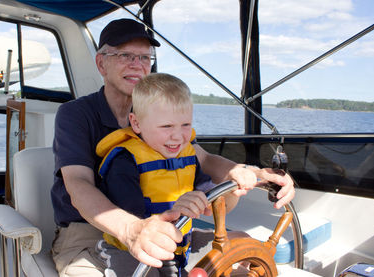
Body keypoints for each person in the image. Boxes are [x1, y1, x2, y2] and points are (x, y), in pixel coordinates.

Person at [51, 18, 295, 277]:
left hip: (169, 225)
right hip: (89, 233)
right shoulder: (75, 114)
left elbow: (203, 159)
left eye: (145, 58)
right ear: (101, 63)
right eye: (125, 55)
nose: (138, 65)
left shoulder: (163, 117)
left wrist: (254, 174)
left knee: (245, 248)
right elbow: (78, 185)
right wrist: (132, 231)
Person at [95, 72, 247, 276]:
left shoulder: (188, 155)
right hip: (132, 250)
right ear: (137, 123)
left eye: (185, 125)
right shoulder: (124, 161)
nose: (178, 136)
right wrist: (177, 209)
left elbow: (209, 196)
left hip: (182, 243)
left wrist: (230, 191)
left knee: (243, 240)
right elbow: (135, 220)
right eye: (166, 126)